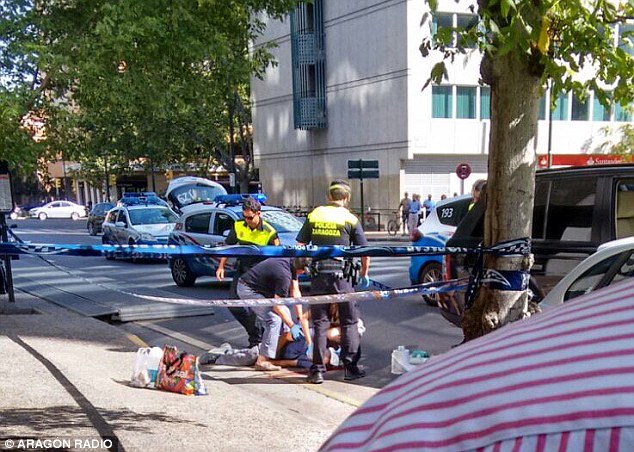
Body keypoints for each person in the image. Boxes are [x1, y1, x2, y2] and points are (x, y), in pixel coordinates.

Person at [296, 179, 371, 384]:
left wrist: (304, 266)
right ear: (346, 198)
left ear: (329, 197)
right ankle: (351, 368)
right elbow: (365, 252)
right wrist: (364, 274)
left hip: (319, 276)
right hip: (343, 277)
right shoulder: (350, 218)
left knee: (320, 323)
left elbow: (299, 244)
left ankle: (317, 370)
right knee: (349, 322)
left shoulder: (315, 214)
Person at [216, 197, 280, 347]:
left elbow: (278, 257)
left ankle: (256, 340)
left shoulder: (270, 232)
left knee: (255, 308)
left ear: (259, 213)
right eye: (244, 217)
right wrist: (221, 266)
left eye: (250, 217)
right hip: (243, 270)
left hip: (260, 274)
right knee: (233, 304)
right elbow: (228, 246)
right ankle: (255, 333)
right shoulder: (239, 226)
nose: (247, 220)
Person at [234, 257, 310, 371]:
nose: (303, 274)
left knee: (286, 316)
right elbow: (277, 305)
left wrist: (300, 318)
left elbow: (295, 291)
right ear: (300, 269)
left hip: (263, 290)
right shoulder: (284, 275)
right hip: (248, 289)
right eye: (304, 271)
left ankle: (273, 354)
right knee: (274, 320)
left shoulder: (292, 263)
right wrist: (292, 325)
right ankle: (262, 360)